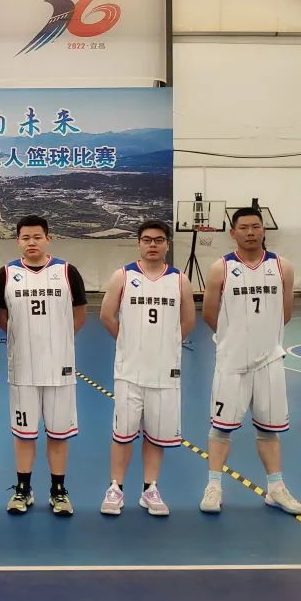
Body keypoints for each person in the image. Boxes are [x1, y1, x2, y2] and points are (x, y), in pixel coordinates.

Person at [199, 207, 301, 515]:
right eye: (244, 227)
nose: (250, 232)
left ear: (263, 230)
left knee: (269, 428)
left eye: (255, 226)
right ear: (232, 232)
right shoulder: (220, 268)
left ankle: (276, 488)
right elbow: (210, 314)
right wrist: (235, 340)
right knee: (221, 427)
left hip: (269, 360)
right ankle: (214, 486)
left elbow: (285, 313)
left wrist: (262, 339)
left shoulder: (282, 267)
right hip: (231, 362)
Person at [98, 220, 195, 516]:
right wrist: (128, 342)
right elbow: (106, 315)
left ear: (167, 244)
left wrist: (168, 345)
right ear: (138, 243)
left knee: (156, 435)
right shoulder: (123, 276)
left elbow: (188, 319)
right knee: (123, 434)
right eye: (147, 240)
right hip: (129, 372)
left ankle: (150, 489)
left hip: (165, 373)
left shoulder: (179, 279)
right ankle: (115, 488)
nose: (153, 245)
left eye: (159, 240)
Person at [0, 215, 87, 516]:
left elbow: (80, 314)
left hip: (60, 369)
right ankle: (23, 489)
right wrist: (25, 341)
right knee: (24, 434)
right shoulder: (6, 274)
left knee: (58, 434)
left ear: (48, 238)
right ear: (18, 241)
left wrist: (56, 341)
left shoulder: (67, 272)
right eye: (25, 237)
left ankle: (58, 490)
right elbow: (2, 317)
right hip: (23, 369)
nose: (31, 242)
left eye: (37, 237)